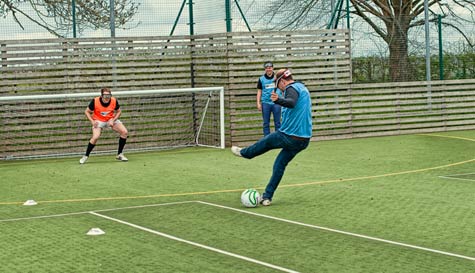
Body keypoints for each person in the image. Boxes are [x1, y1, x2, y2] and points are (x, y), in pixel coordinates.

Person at [231, 68, 312, 206]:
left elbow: (291, 102)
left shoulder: (291, 88)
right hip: (303, 140)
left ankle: (245, 153)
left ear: (282, 81)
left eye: (277, 84)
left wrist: (278, 100)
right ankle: (267, 197)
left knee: (267, 141)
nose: (278, 88)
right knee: (279, 164)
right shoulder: (302, 88)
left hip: (290, 136)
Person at [79, 88, 129, 164]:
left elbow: (119, 111)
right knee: (95, 137)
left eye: (108, 96)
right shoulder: (95, 101)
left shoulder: (114, 100)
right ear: (101, 95)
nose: (107, 98)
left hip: (110, 119)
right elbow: (86, 111)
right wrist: (92, 121)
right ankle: (86, 156)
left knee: (124, 132)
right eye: (105, 96)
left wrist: (113, 119)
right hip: (98, 120)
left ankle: (120, 154)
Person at [257, 61, 281, 136]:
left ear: (272, 68)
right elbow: (259, 91)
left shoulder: (277, 78)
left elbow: (282, 88)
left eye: (270, 68)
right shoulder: (261, 79)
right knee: (266, 123)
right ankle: (266, 139)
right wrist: (258, 103)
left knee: (277, 122)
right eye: (267, 68)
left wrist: (283, 101)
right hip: (265, 103)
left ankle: (278, 138)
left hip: (276, 103)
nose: (268, 69)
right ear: (265, 69)